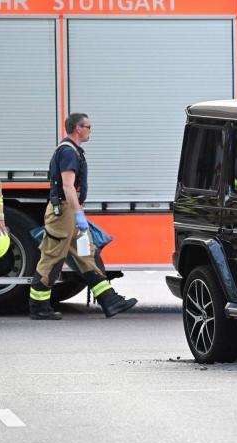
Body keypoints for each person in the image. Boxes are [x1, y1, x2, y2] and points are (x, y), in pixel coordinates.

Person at [28, 113, 137, 320]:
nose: (90, 130)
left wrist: (78, 214)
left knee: (87, 255)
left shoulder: (71, 150)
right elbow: (68, 186)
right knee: (52, 258)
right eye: (88, 126)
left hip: (68, 211)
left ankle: (109, 301)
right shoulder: (68, 152)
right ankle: (38, 307)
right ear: (77, 128)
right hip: (64, 212)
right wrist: (78, 214)